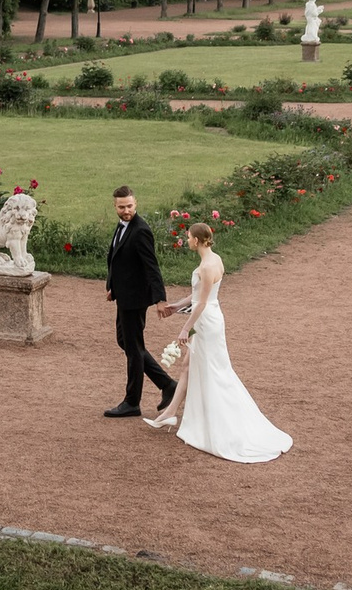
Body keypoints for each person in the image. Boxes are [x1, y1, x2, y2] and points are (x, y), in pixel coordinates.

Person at [146, 222, 291, 462]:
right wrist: (176, 306)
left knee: (214, 371)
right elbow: (201, 295)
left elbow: (202, 302)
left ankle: (221, 422)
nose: (187, 240)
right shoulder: (216, 260)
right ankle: (170, 413)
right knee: (187, 366)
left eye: (189, 237)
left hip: (205, 321)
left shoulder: (205, 267)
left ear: (197, 240)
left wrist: (185, 328)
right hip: (211, 318)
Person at [101, 184, 175, 418]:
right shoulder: (123, 226)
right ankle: (167, 384)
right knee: (125, 341)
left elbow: (151, 266)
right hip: (124, 295)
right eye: (121, 207)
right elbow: (117, 258)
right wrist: (113, 287)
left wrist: (160, 299)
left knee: (133, 349)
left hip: (135, 299)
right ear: (115, 206)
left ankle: (132, 402)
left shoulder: (141, 230)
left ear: (136, 204)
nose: (126, 211)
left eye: (130, 206)